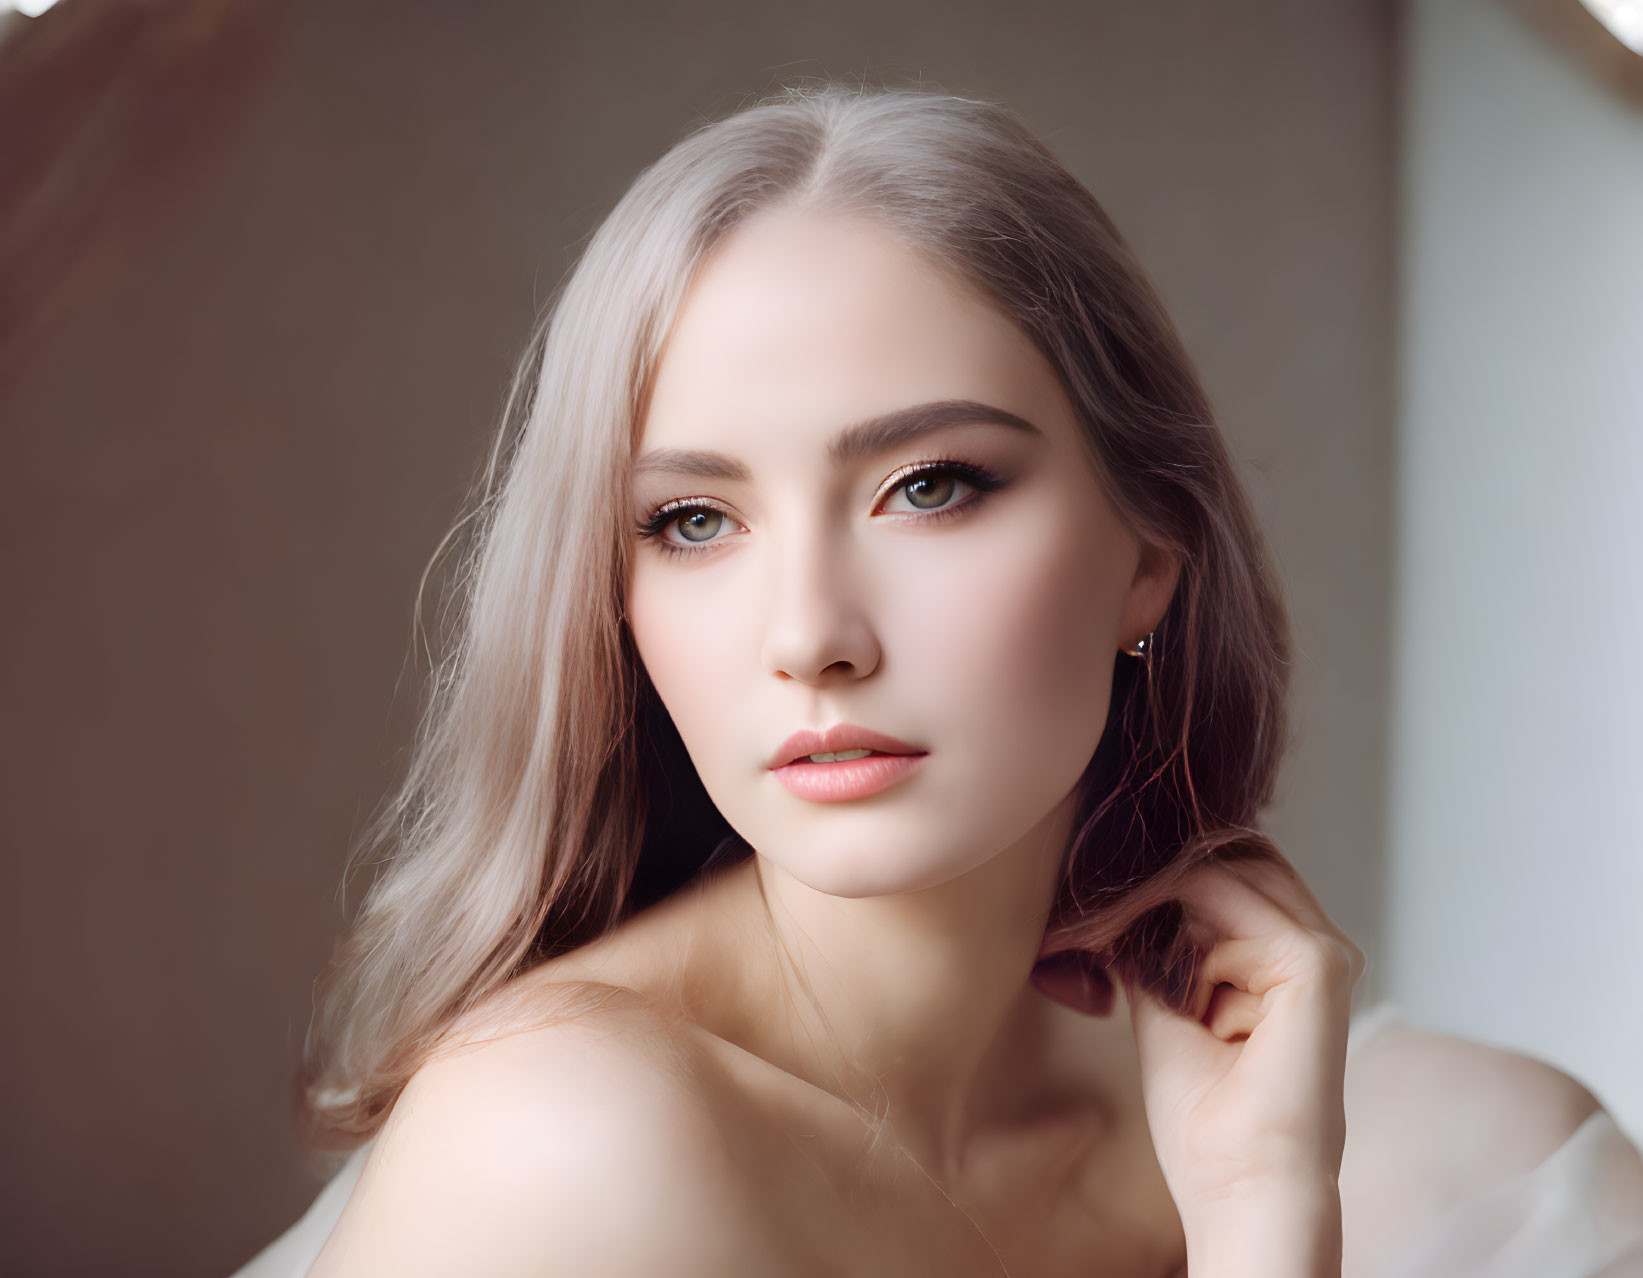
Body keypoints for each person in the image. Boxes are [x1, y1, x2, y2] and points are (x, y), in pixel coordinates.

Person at [232, 81, 1643, 1277]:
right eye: (693, 520)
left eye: (930, 485)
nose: (811, 633)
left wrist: (1269, 1204)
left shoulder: (1479, 1162)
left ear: (1149, 548)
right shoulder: (556, 1144)